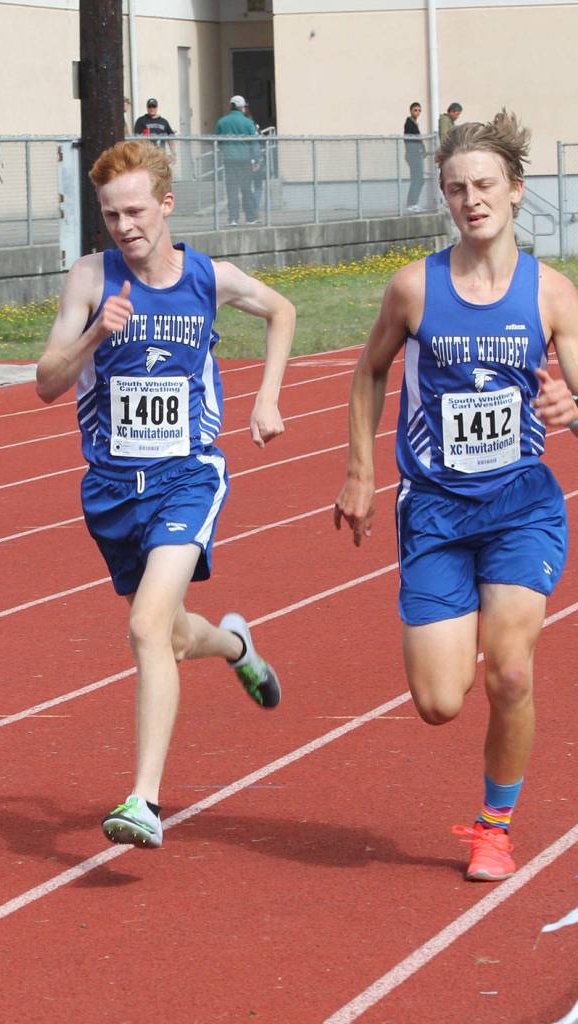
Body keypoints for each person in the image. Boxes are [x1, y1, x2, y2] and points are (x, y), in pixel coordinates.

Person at [333, 111, 578, 883]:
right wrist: (361, 474)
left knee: (510, 673)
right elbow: (369, 372)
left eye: (483, 185)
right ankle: (457, 621)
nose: (471, 200)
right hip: (435, 511)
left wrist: (574, 406)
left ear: (515, 189)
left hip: (521, 506)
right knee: (440, 701)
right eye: (455, 189)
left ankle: (494, 827)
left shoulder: (553, 294)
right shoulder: (414, 288)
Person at [35, 140, 296, 849]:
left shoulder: (207, 277)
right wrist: (94, 333)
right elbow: (47, 381)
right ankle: (237, 645)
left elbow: (281, 312)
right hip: (113, 488)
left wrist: (266, 397)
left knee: (147, 628)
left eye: (137, 211)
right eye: (112, 215)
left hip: (187, 475)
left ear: (167, 205)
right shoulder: (91, 278)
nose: (126, 226)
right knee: (176, 634)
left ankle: (144, 801)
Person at [215, 95, 259, 226]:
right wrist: (256, 159)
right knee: (246, 189)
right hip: (244, 160)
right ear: (241, 107)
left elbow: (217, 140)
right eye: (244, 106)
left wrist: (226, 150)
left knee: (231, 190)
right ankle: (250, 217)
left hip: (229, 160)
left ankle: (233, 218)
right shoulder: (247, 122)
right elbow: (254, 143)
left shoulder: (222, 122)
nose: (245, 108)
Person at [403, 101, 425, 212]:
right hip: (413, 155)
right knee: (418, 179)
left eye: (419, 110)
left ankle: (413, 203)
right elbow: (410, 139)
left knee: (419, 179)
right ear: (411, 111)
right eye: (415, 110)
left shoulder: (414, 123)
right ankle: (411, 204)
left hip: (416, 155)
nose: (418, 112)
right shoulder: (409, 123)